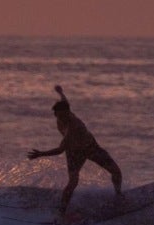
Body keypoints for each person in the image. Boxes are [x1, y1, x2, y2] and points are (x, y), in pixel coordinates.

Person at [27, 85, 123, 215]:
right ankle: (62, 211)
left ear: (68, 113)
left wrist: (41, 154)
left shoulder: (73, 126)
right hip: (74, 152)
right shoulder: (63, 113)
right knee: (73, 182)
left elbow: (60, 150)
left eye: (65, 116)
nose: (62, 118)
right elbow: (65, 101)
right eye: (59, 116)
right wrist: (60, 92)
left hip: (91, 148)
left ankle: (118, 196)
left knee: (116, 172)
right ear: (55, 115)